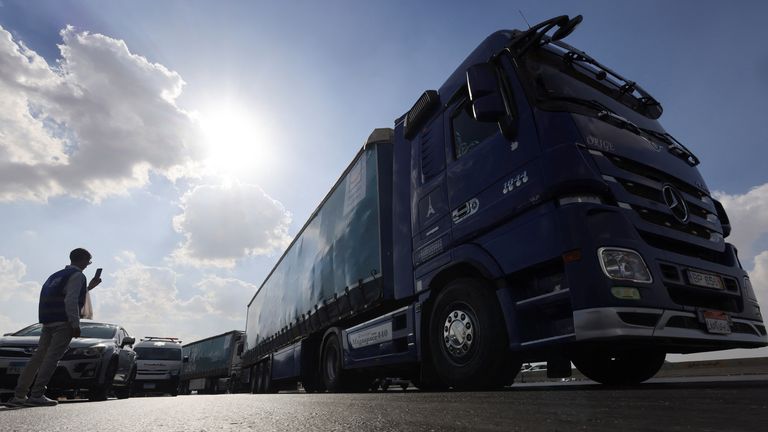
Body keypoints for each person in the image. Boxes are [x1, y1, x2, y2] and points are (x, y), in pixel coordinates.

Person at [5, 248, 102, 407]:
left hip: (48, 320)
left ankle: (19, 394)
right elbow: (70, 300)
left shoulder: (55, 276)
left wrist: (89, 287)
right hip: (63, 322)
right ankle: (37, 394)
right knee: (51, 359)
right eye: (88, 261)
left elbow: (63, 294)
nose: (88, 265)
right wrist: (75, 324)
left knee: (37, 358)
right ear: (83, 259)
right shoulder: (78, 275)